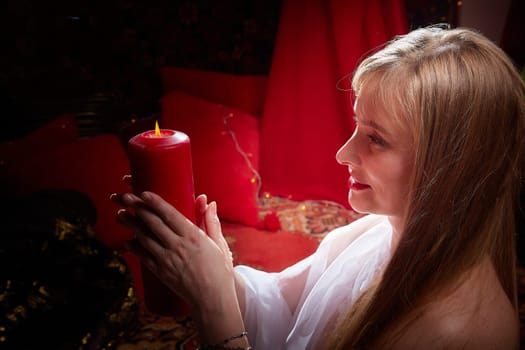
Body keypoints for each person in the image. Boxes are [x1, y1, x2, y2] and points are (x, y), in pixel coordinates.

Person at [111, 26, 524, 349]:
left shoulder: (456, 334)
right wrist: (218, 273)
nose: (343, 154)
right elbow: (282, 307)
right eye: (357, 128)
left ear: (451, 164)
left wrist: (215, 307)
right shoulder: (373, 232)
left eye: (376, 139)